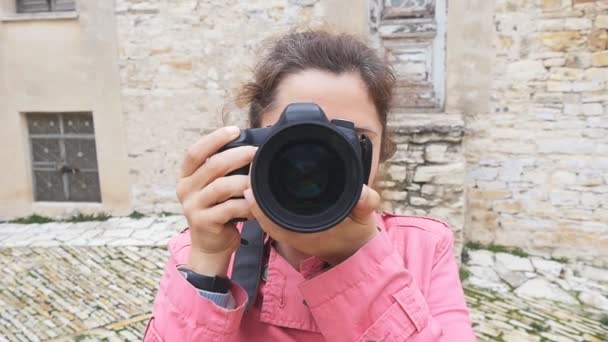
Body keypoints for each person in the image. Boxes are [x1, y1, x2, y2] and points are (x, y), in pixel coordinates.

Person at [144, 30, 476, 341]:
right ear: (253, 150)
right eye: (293, 139)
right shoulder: (207, 247)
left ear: (380, 150)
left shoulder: (424, 248)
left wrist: (354, 256)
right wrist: (207, 262)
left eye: (352, 139)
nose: (319, 161)